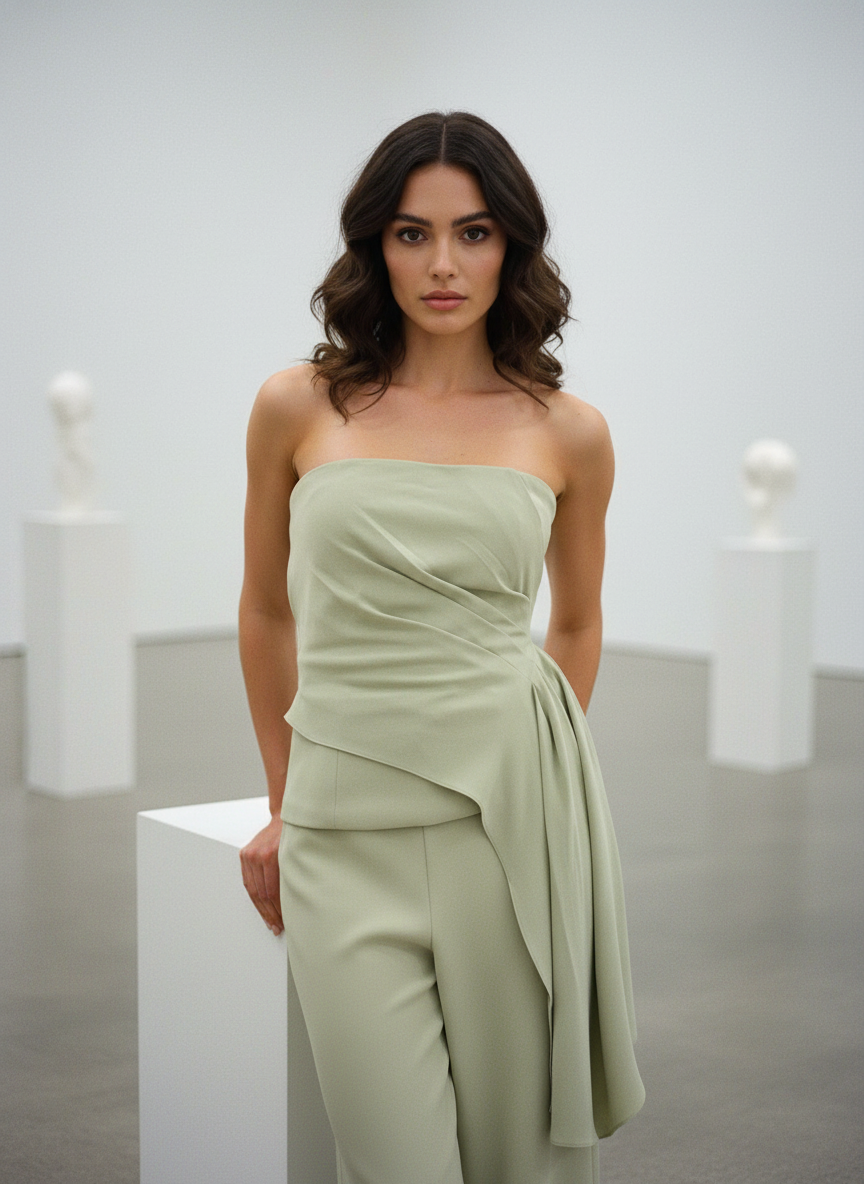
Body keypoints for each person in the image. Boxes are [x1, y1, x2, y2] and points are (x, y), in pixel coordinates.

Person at [238, 110, 644, 1184]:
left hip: (505, 833)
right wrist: (285, 799)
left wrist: (539, 770)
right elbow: (265, 611)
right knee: (393, 1160)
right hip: (342, 835)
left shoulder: (569, 429)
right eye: (412, 233)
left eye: (473, 232)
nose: (443, 263)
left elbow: (578, 619)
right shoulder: (297, 406)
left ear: (512, 244)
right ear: (375, 244)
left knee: (523, 1157)